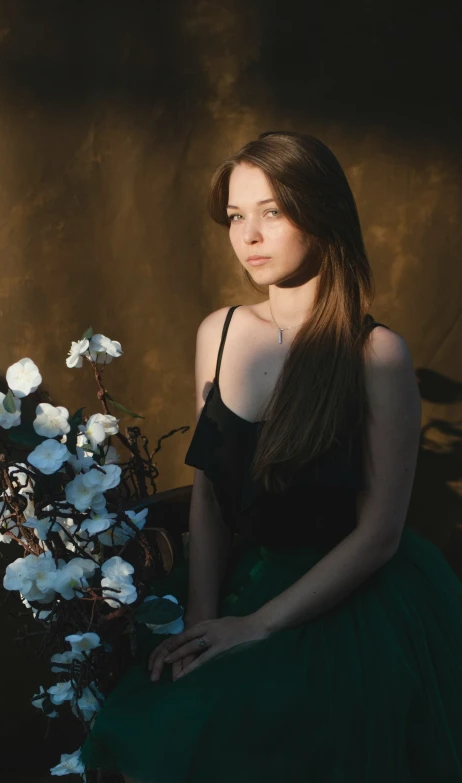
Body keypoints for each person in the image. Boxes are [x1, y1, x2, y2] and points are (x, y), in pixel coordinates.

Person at [81, 131, 462, 782]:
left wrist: (254, 626)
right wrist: (203, 617)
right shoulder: (220, 331)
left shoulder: (376, 355)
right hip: (238, 579)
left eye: (272, 212)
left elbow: (380, 534)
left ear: (321, 214)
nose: (248, 235)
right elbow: (207, 493)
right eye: (236, 215)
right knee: (164, 717)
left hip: (343, 599)